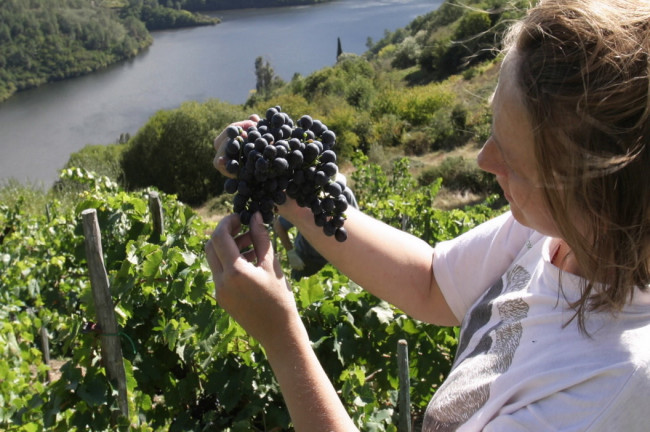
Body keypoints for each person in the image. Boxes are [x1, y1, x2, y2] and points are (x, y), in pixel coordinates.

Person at [205, 0, 650, 430]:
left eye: (513, 159)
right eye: (492, 128)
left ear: (596, 190)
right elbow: (430, 282)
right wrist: (295, 188)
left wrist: (283, 341)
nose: (482, 160)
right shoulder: (551, 233)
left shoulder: (610, 388)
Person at [273, 173, 358, 280]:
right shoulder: (306, 200)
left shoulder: (345, 196)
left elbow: (356, 232)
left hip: (334, 260)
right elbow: (279, 224)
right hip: (306, 259)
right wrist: (291, 253)